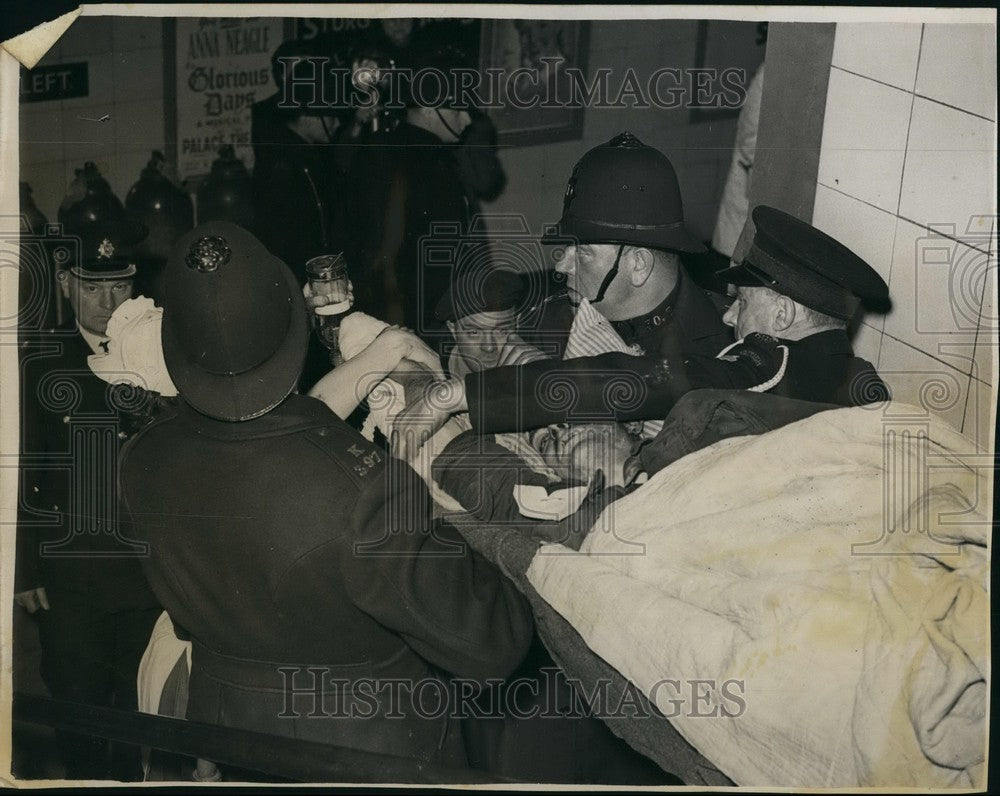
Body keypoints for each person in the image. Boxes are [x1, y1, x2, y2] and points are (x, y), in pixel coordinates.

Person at [117, 222, 533, 774]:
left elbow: (264, 443)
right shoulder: (364, 491)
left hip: (229, 739)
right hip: (368, 756)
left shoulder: (141, 461)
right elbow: (493, 643)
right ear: (292, 326)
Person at [392, 131, 733, 446]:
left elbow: (637, 382)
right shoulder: (562, 310)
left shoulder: (717, 351)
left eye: (581, 252)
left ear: (638, 265)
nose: (560, 266)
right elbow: (474, 338)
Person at [14, 215, 162, 781]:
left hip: (149, 571)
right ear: (65, 282)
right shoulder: (39, 361)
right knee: (77, 706)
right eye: (93, 286)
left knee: (141, 712)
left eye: (119, 286)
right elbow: (22, 464)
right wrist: (22, 566)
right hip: (71, 577)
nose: (106, 302)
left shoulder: (163, 349)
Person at [344, 36, 505, 338]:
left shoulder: (404, 151)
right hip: (416, 323)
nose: (467, 119)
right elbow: (391, 258)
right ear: (431, 109)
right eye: (459, 109)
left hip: (414, 319)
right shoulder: (421, 164)